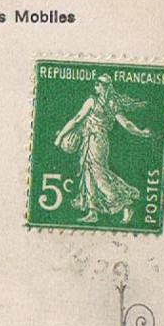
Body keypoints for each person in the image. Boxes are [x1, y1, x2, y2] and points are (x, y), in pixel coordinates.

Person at [54, 74, 151, 225]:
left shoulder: (94, 101)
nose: (95, 87)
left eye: (98, 84)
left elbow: (77, 119)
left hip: (97, 141)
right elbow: (127, 124)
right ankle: (93, 212)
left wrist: (60, 136)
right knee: (88, 172)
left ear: (104, 86)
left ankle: (126, 204)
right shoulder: (110, 103)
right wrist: (141, 133)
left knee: (99, 174)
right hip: (90, 140)